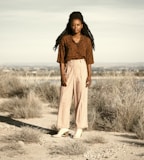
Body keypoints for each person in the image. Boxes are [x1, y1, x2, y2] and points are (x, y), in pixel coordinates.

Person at [53, 11, 95, 138]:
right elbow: (61, 60)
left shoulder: (87, 41)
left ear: (82, 25)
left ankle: (79, 127)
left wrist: (89, 75)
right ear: (70, 25)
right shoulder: (64, 40)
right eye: (73, 25)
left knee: (81, 99)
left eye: (78, 25)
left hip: (82, 68)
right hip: (68, 68)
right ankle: (63, 127)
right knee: (64, 98)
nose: (75, 27)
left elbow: (89, 59)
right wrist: (62, 75)